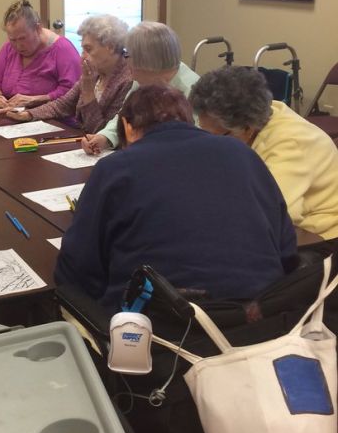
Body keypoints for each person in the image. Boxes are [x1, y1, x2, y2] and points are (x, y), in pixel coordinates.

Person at [55, 85, 296, 313]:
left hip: (159, 326)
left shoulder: (116, 168)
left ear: (127, 127)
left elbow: (77, 268)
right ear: (191, 120)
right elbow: (285, 246)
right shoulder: (243, 153)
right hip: (260, 316)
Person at [190, 65, 338, 240]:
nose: (206, 142)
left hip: (317, 235)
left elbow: (271, 218)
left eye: (212, 136)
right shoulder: (259, 114)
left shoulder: (291, 144)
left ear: (248, 129)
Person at [82, 21, 199, 155]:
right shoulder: (143, 79)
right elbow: (124, 116)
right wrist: (104, 137)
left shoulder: (192, 90)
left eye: (127, 55)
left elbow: (196, 143)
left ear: (146, 60)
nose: (126, 61)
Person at [5, 14, 132, 132]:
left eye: (88, 49)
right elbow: (63, 105)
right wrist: (28, 114)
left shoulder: (128, 81)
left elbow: (101, 132)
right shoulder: (96, 72)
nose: (83, 56)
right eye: (82, 49)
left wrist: (88, 91)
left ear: (110, 47)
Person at [0, 0, 80, 110]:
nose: (18, 46)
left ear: (38, 29)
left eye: (22, 38)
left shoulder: (63, 49)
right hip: (13, 114)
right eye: (13, 40)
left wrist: (36, 99)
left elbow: (72, 93)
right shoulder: (8, 48)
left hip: (50, 116)